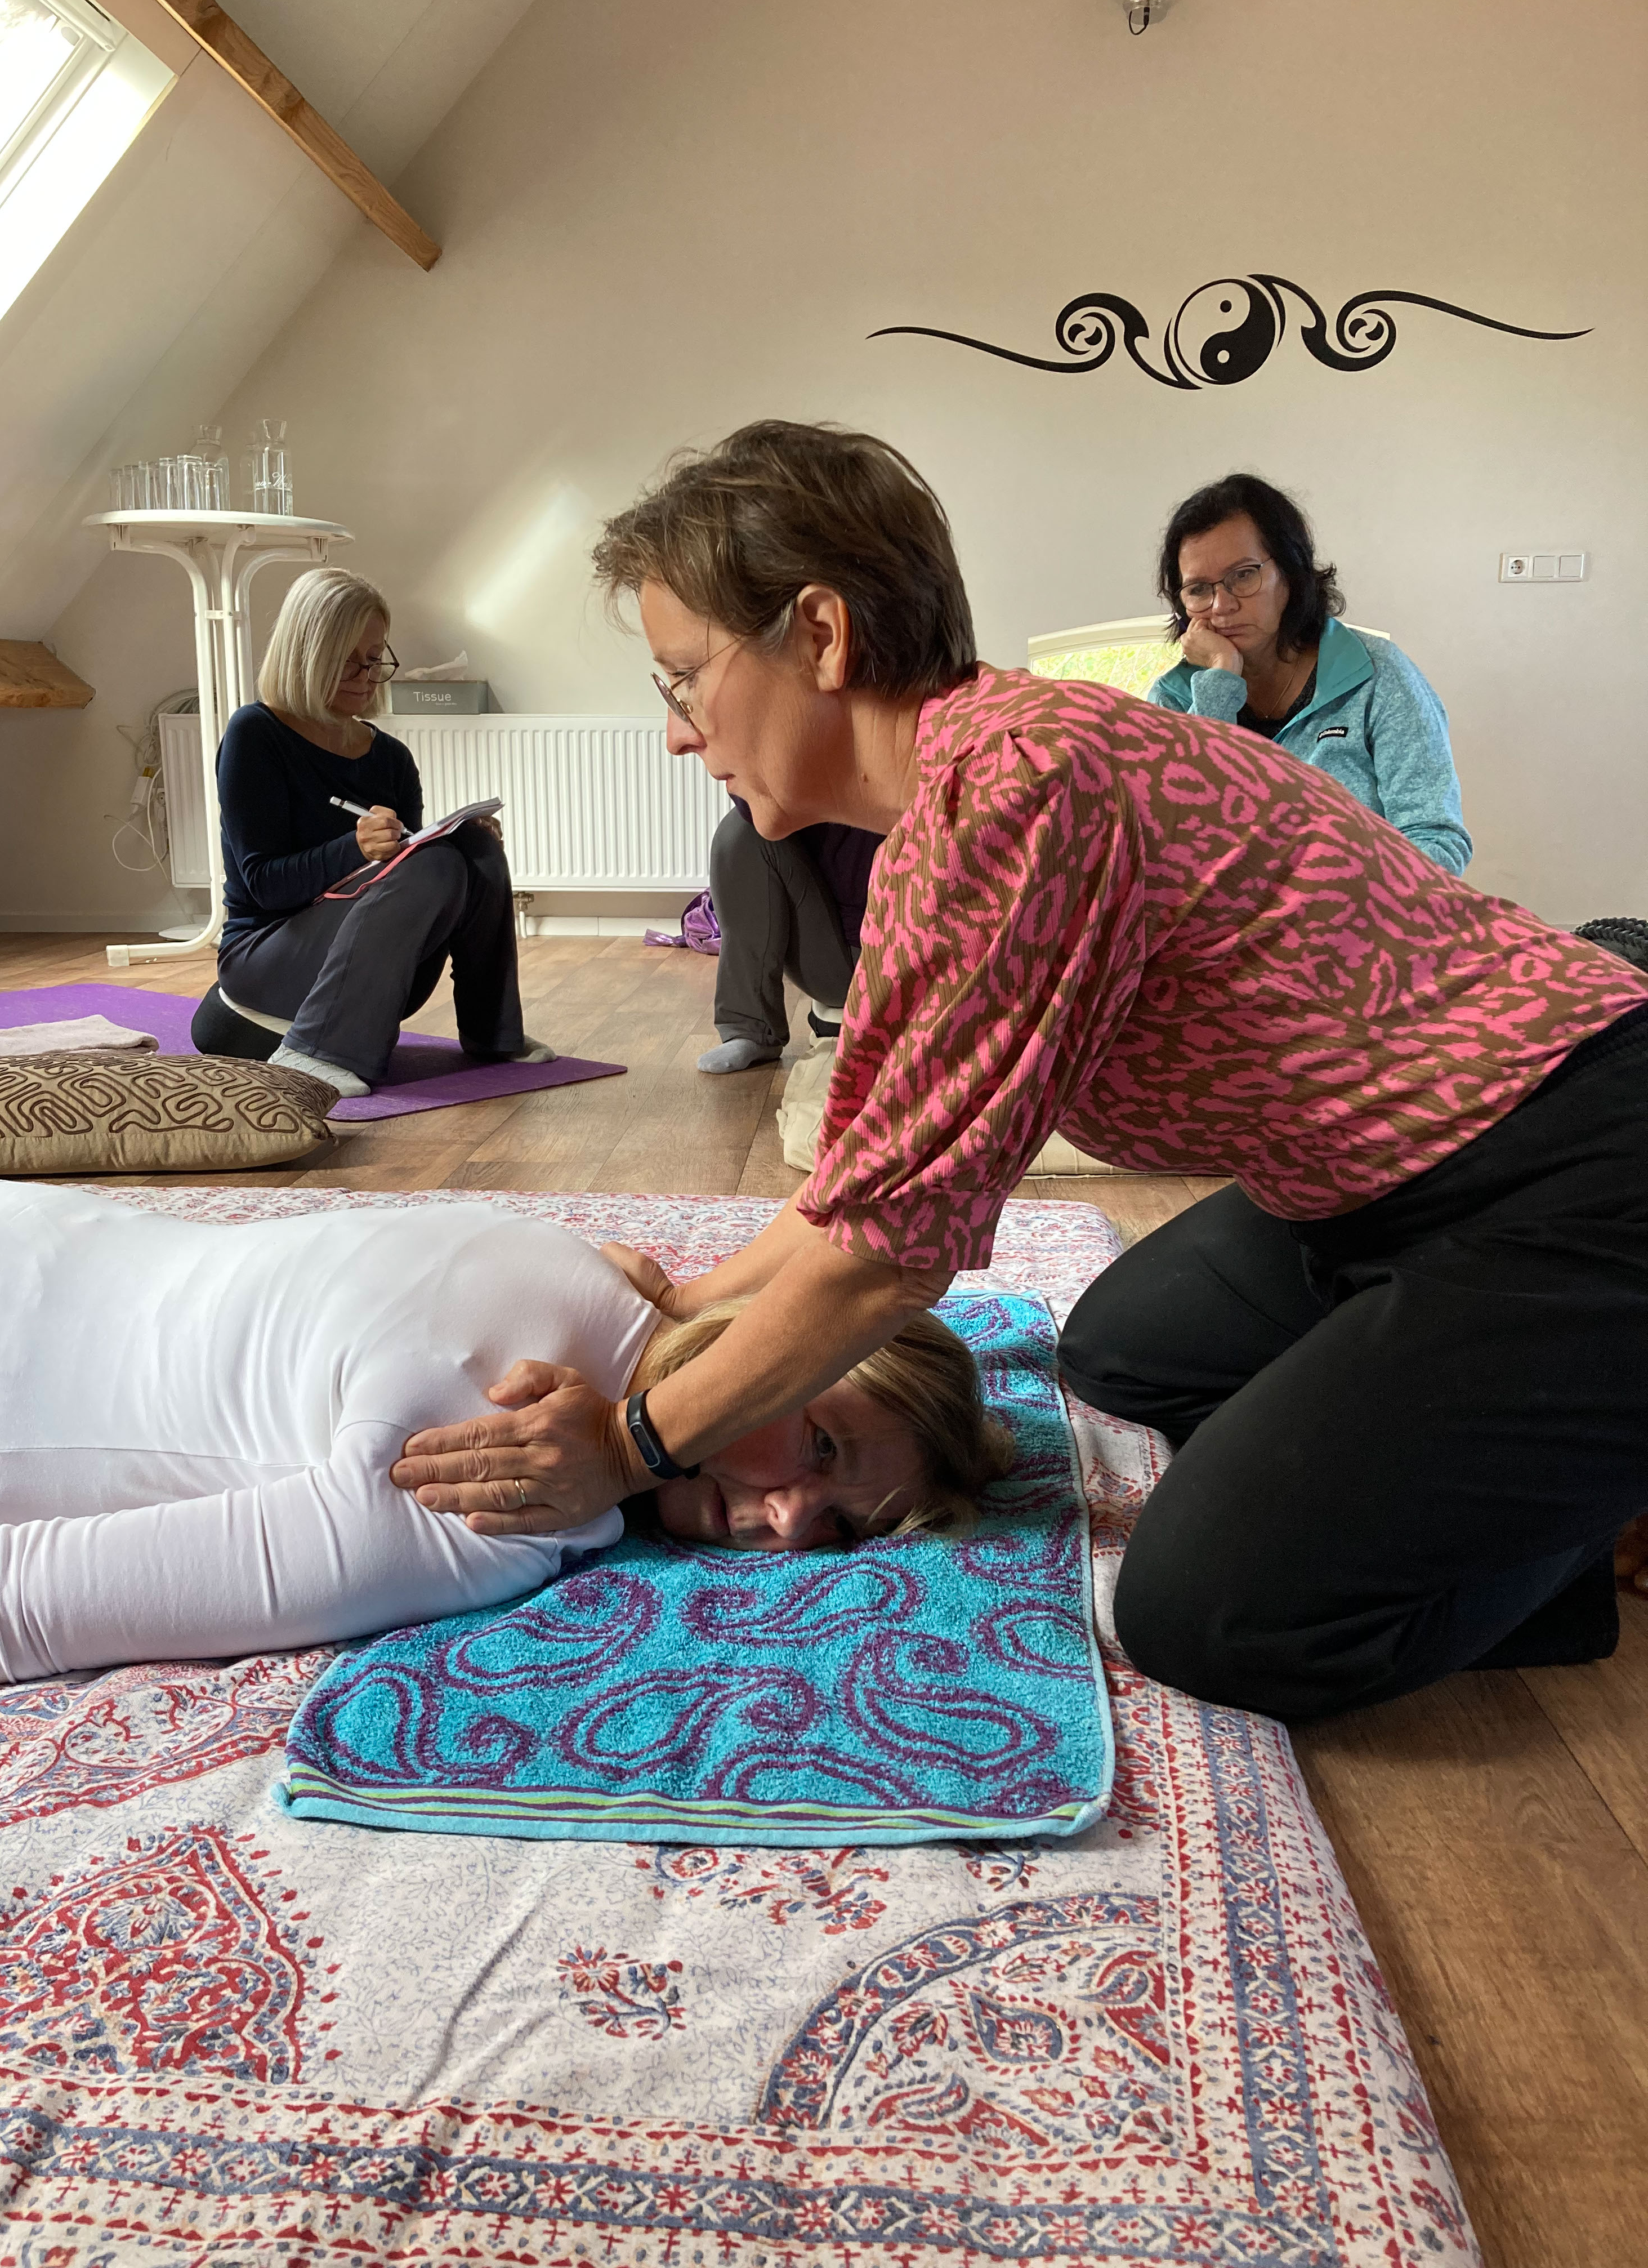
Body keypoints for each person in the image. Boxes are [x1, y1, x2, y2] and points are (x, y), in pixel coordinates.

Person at [389, 418, 1648, 1726]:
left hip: (1571, 1159)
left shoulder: (1019, 787)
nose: (677, 732)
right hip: (1357, 1192)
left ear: (819, 635)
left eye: (684, 679)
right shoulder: (954, 802)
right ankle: (1536, 1463)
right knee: (1120, 1354)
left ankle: (1584, 1456)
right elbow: (864, 1186)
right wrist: (689, 1304)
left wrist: (629, 1447)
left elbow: (887, 1262)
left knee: (1209, 1615)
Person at [0, 1180, 1008, 1692]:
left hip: (16, 1224)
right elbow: (10, 1603)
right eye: (821, 1448)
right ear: (774, 1343)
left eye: (838, 1527)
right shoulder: (513, 1494)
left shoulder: (573, 1262)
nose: (785, 1522)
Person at [193, 567, 551, 1098]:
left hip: (370, 956)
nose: (366, 675)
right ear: (307, 654)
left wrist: (451, 837)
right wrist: (354, 847)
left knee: (473, 849)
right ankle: (319, 1052)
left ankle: (492, 1032)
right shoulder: (256, 734)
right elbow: (265, 885)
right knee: (435, 862)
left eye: (375, 658)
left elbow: (409, 874)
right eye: (348, 660)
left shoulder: (391, 757)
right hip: (265, 953)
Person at [1147, 471, 1472, 875]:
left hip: (1369, 910)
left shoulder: (1379, 674)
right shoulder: (1170, 701)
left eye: (1243, 575)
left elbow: (1436, 840)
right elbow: (1179, 847)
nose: (1220, 606)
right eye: (1198, 589)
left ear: (1290, 571)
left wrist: (1331, 900)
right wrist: (1220, 679)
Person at [697, 799, 882, 1072]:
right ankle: (752, 1030)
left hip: (903, 957)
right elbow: (753, 802)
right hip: (839, 951)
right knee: (744, 827)